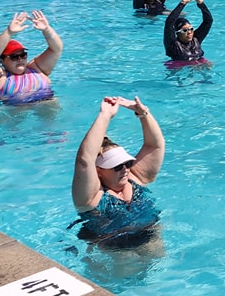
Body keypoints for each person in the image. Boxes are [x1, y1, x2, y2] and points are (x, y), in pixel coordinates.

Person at [71, 96, 165, 248]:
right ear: (98, 171)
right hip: (116, 254)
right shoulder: (91, 198)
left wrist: (143, 114)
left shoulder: (135, 177)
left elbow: (154, 146)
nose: (125, 169)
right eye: (116, 166)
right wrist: (105, 115)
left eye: (127, 163)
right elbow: (84, 159)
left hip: (152, 240)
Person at [0, 11, 63, 104]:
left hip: (47, 104)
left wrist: (47, 30)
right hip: (14, 110)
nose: (20, 59)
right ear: (2, 60)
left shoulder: (36, 68)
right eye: (14, 57)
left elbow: (56, 49)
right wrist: (8, 32)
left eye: (23, 55)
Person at [164, 0, 213, 65]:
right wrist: (182, 3)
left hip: (197, 64)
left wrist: (201, 4)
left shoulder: (196, 39)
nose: (189, 32)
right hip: (179, 67)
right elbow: (169, 22)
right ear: (177, 33)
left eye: (191, 29)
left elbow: (208, 21)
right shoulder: (172, 44)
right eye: (185, 30)